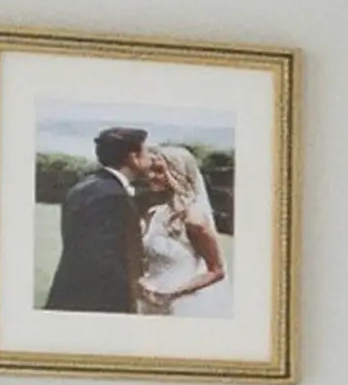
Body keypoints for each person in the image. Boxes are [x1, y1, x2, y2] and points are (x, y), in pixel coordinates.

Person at [43, 129, 147, 315]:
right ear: (134, 157)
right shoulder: (113, 195)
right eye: (146, 151)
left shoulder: (83, 186)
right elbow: (103, 259)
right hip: (97, 302)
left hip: (67, 293)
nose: (150, 158)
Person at [127, 136, 227, 314]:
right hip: (151, 300)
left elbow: (216, 271)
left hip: (183, 304)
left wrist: (170, 294)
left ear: (177, 174)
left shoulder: (194, 219)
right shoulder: (154, 214)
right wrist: (140, 281)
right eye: (151, 170)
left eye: (159, 171)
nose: (151, 176)